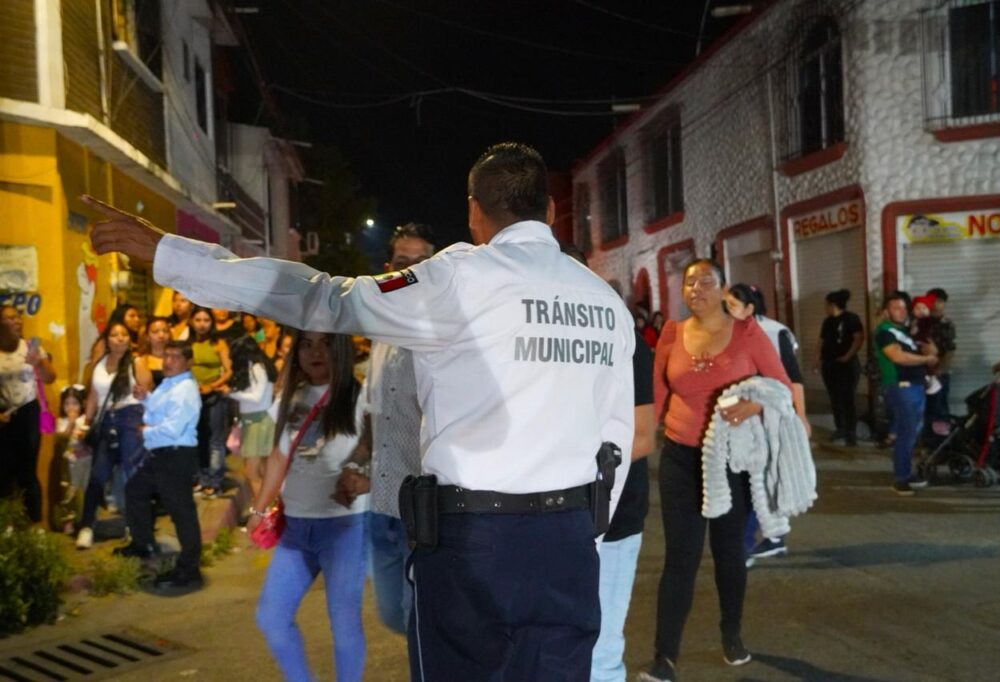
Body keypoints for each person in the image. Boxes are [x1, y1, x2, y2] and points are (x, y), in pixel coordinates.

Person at [84, 140, 635, 681]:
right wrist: (576, 539)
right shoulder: (606, 302)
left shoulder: (457, 279)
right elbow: (615, 441)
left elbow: (322, 298)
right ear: (551, 209)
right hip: (568, 543)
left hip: (474, 542)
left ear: (474, 212)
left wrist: (170, 254)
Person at [639, 259, 795, 681]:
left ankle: (732, 633)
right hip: (680, 458)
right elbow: (656, 394)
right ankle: (664, 658)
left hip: (730, 461)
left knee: (728, 553)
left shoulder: (747, 333)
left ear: (723, 288)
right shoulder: (671, 334)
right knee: (680, 558)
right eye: (690, 282)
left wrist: (755, 405)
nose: (697, 289)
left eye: (706, 281)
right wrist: (636, 442)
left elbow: (781, 385)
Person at [247, 330, 370, 682]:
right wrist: (258, 510)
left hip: (345, 527)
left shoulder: (362, 396)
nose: (315, 352)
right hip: (296, 527)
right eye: (306, 344)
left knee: (344, 624)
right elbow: (278, 457)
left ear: (342, 348)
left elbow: (382, 452)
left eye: (326, 344)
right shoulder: (292, 396)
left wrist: (364, 480)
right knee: (271, 617)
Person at [559, 244, 656, 682]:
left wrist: (569, 464)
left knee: (601, 650)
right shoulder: (544, 344)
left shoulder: (624, 340)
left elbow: (643, 436)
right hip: (555, 516)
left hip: (612, 517)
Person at [339, 222, 437, 637]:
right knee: (392, 616)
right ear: (387, 271)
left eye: (422, 263)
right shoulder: (381, 333)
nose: (411, 272)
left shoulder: (444, 338)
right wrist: (355, 462)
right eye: (401, 263)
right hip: (382, 506)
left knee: (421, 625)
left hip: (424, 513)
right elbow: (373, 415)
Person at [724, 283, 810, 566]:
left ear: (749, 308)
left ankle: (746, 544)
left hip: (768, 418)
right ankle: (773, 537)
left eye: (731, 305)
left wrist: (801, 416)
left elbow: (793, 379)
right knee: (756, 482)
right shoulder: (721, 332)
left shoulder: (774, 332)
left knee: (756, 483)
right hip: (738, 420)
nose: (725, 310)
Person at [113, 341, 204, 588]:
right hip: (161, 454)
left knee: (181, 512)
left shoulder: (185, 389)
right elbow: (157, 412)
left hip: (176, 455)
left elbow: (173, 428)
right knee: (135, 490)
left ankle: (189, 568)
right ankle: (142, 543)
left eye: (175, 357)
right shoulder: (169, 383)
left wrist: (146, 432)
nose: (168, 361)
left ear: (188, 362)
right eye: (167, 355)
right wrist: (146, 399)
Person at [78, 321, 153, 549]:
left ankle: (135, 527)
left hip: (130, 419)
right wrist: (86, 423)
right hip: (106, 421)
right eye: (115, 335)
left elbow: (149, 393)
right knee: (98, 475)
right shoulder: (99, 364)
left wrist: (143, 394)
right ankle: (86, 526)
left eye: (124, 335)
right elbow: (93, 396)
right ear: (106, 340)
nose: (120, 338)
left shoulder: (136, 363)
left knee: (132, 474)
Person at [875, 292, 937, 495]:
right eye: (896, 308)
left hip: (916, 385)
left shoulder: (907, 332)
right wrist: (926, 359)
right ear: (886, 311)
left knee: (913, 431)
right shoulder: (884, 332)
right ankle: (901, 478)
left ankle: (906, 473)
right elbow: (897, 357)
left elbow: (927, 351)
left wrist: (929, 350)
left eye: (904, 308)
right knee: (907, 432)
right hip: (900, 386)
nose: (901, 312)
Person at [0, 305, 56, 522]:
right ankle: (8, 526)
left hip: (27, 413)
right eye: (10, 318)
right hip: (3, 416)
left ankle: (34, 524)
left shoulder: (30, 346)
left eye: (18, 317)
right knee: (4, 473)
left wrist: (38, 361)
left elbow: (50, 377)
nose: (17, 321)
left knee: (27, 471)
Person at [189, 306, 233, 497]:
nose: (202, 324)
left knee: (215, 441)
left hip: (214, 396)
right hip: (192, 397)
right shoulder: (187, 343)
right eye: (198, 320)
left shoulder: (219, 343)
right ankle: (201, 477)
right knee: (197, 439)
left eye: (206, 320)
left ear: (212, 323)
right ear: (191, 322)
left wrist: (212, 385)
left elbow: (229, 370)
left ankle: (215, 480)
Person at [227, 336, 277, 498]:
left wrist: (232, 394)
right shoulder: (258, 366)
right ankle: (269, 507)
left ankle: (262, 510)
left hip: (258, 421)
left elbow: (257, 397)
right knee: (260, 470)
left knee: (251, 472)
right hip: (255, 420)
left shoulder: (257, 368)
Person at [815, 289, 864, 446]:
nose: (825, 308)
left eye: (826, 305)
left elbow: (858, 338)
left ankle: (851, 433)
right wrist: (817, 359)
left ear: (833, 305)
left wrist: (848, 356)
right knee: (834, 398)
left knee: (848, 399)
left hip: (847, 365)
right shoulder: (827, 321)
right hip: (830, 365)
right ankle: (840, 428)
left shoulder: (851, 318)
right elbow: (821, 341)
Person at [52, 385, 91, 534]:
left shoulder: (85, 420)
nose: (71, 407)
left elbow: (88, 438)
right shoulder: (61, 421)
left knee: (83, 490)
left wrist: (84, 434)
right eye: (67, 403)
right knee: (68, 491)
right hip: (68, 463)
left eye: (75, 403)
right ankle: (68, 521)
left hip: (84, 461)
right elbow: (62, 438)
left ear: (82, 404)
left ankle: (83, 520)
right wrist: (71, 423)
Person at [925, 288, 956, 433]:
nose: (936, 304)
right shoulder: (920, 321)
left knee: (940, 408)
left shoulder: (947, 324)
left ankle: (941, 440)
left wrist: (940, 369)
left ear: (944, 303)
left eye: (940, 301)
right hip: (921, 372)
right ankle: (926, 438)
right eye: (932, 301)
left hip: (940, 373)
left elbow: (950, 350)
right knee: (924, 408)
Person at [141, 317, 171, 388]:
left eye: (165, 331)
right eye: (155, 332)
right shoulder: (142, 361)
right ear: (147, 337)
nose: (161, 335)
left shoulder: (177, 359)